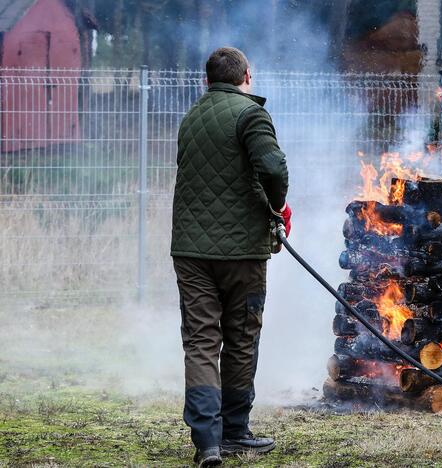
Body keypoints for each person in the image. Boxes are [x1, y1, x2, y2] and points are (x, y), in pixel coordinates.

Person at [171, 46, 291, 467]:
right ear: (246, 76)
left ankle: (207, 443)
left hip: (189, 251)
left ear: (208, 80)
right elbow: (273, 168)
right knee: (240, 337)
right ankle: (236, 432)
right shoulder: (250, 114)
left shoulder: (191, 118)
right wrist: (277, 209)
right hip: (240, 251)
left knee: (202, 342)